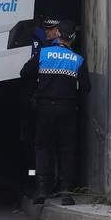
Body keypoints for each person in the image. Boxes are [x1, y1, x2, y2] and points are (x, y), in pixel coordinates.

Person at [20, 20, 88, 205]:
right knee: (66, 149)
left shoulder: (43, 53)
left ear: (58, 34)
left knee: (43, 148)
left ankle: (42, 190)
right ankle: (66, 192)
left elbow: (24, 72)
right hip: (68, 110)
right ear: (72, 38)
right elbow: (86, 89)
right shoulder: (78, 60)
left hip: (44, 109)